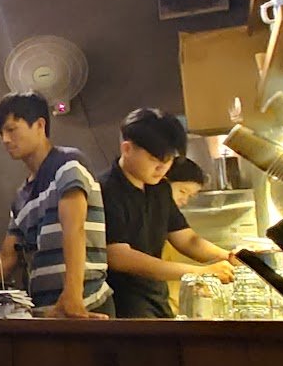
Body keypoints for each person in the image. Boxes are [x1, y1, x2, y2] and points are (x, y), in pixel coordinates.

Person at [101, 108, 237, 318]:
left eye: (169, 160)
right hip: (123, 303)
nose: (162, 168)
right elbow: (119, 256)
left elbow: (187, 239)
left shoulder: (160, 189)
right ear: (127, 149)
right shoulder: (105, 189)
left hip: (157, 297)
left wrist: (227, 256)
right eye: (156, 160)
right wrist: (199, 272)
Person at [0, 92, 112, 319]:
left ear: (39, 125)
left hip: (86, 305)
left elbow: (75, 228)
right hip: (46, 313)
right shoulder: (21, 196)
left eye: (12, 129)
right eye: (0, 133)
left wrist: (73, 297)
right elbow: (7, 257)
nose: (5, 139)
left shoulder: (68, 164)